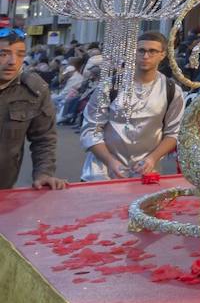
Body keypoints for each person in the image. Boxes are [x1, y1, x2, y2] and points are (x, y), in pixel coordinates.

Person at [80, 32, 185, 182]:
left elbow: (174, 133)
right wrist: (110, 161)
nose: (146, 56)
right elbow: (91, 129)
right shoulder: (110, 86)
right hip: (101, 173)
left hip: (145, 174)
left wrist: (152, 159)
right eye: (141, 50)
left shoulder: (171, 90)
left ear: (162, 55)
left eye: (152, 51)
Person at [0, 28, 65, 190]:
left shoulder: (34, 89)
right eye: (3, 54)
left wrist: (44, 173)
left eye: (20, 54)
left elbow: (44, 138)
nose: (12, 61)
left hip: (4, 187)